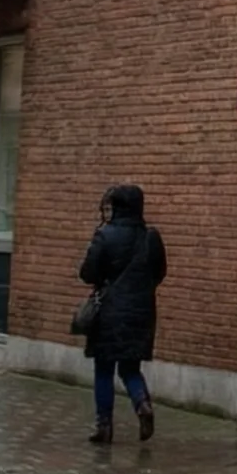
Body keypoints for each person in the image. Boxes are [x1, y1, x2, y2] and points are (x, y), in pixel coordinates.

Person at [79, 183, 169, 444]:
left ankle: (104, 426)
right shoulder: (151, 237)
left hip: (108, 312)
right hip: (141, 312)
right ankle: (142, 403)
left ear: (117, 206)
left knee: (104, 369)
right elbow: (160, 272)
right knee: (130, 368)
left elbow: (88, 273)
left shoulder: (105, 235)